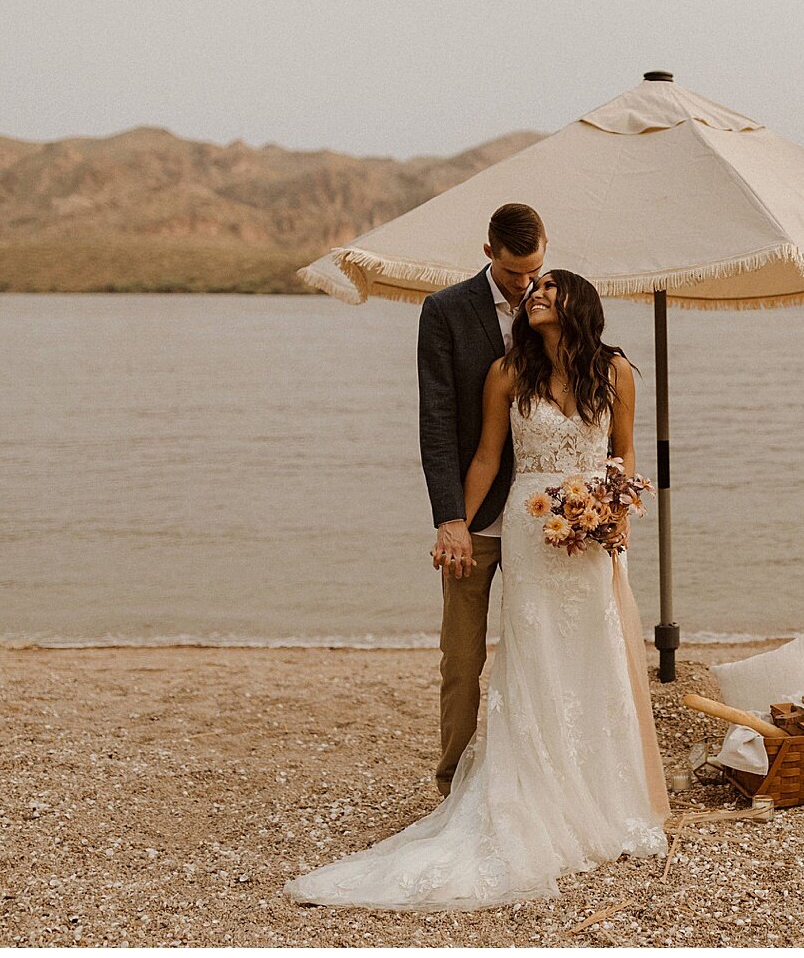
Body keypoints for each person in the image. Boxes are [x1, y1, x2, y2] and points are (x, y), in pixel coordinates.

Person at [285, 270, 670, 911]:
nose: (538, 294)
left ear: (581, 304)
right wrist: (456, 526)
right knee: (535, 654)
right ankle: (532, 793)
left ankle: (603, 795)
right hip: (527, 525)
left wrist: (616, 512)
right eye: (533, 287)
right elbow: (489, 458)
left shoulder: (617, 373)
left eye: (551, 287)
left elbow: (623, 456)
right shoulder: (507, 372)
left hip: (593, 533)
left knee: (594, 652)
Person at [417, 203, 546, 797]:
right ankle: (453, 782)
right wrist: (451, 520)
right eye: (515, 273)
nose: (526, 286)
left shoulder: (556, 305)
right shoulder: (444, 311)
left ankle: (525, 779)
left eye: (535, 270)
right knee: (462, 660)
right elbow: (438, 420)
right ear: (488, 252)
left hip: (543, 521)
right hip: (472, 518)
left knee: (539, 655)